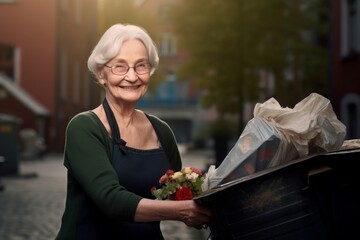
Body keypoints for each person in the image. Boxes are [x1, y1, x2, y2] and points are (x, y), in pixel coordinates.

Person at [55, 23, 211, 240]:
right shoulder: (84, 127)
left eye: (141, 66)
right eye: (120, 66)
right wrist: (183, 211)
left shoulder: (162, 131)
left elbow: (178, 195)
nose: (132, 76)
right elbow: (111, 199)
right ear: (101, 74)